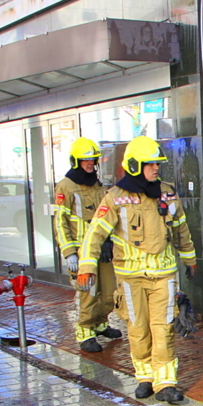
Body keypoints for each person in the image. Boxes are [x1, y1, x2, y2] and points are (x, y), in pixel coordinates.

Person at [77, 136, 197, 404]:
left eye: (157, 164)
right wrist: (87, 266)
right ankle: (145, 377)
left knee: (163, 327)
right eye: (150, 164)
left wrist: (190, 258)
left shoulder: (167, 192)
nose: (156, 169)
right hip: (130, 278)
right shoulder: (115, 198)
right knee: (138, 328)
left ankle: (166, 382)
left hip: (163, 275)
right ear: (134, 165)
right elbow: (94, 234)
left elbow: (181, 227)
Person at [53, 137, 121, 353]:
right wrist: (69, 253)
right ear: (76, 161)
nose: (90, 164)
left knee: (110, 293)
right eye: (85, 161)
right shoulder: (65, 186)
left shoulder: (97, 183)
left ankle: (100, 324)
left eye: (93, 160)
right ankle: (85, 332)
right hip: (82, 254)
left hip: (102, 250)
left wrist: (109, 243)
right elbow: (60, 222)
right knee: (88, 294)